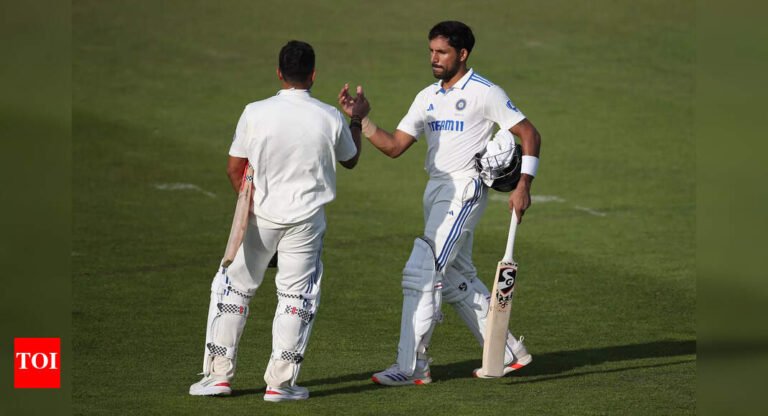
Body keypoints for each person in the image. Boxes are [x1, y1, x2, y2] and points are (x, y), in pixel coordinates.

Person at [338, 21, 541, 385]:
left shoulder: (485, 92)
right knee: (452, 279)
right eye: (431, 50)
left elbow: (529, 133)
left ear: (462, 54)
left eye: (442, 52)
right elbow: (395, 146)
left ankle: (412, 366)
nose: (434, 57)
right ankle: (507, 352)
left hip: (464, 190)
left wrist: (523, 185)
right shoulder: (426, 97)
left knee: (422, 270)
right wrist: (361, 119)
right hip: (435, 191)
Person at [190, 40, 369, 401]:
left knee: (234, 289)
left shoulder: (255, 112)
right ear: (313, 75)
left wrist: (248, 208)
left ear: (278, 72)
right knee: (296, 297)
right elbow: (350, 160)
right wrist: (356, 118)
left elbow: (234, 167)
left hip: (260, 216)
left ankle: (218, 376)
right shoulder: (328, 116)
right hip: (306, 221)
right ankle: (280, 384)